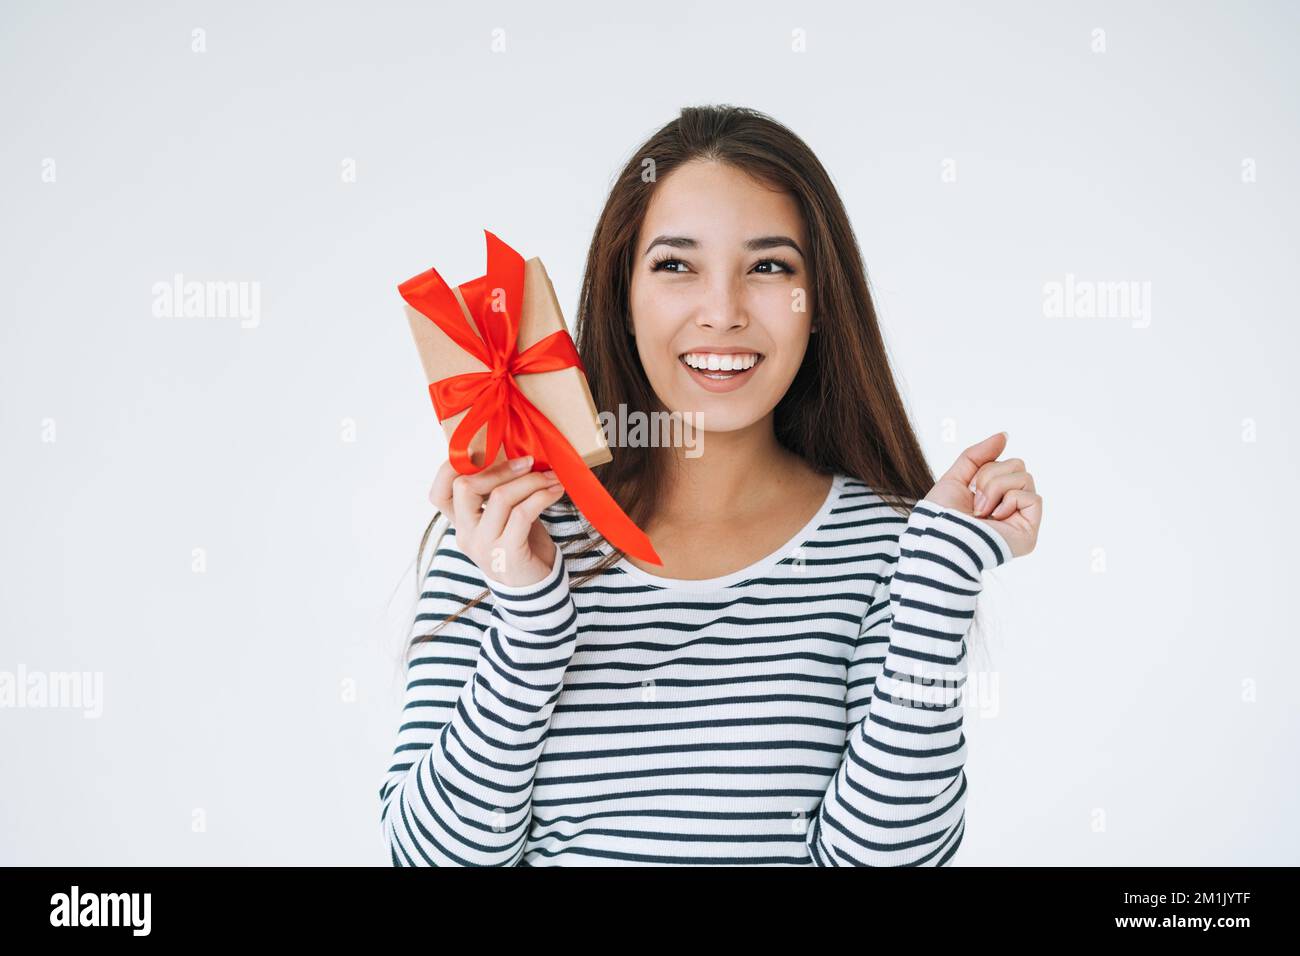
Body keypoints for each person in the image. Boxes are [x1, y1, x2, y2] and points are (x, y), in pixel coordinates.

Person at [380, 105, 1042, 866]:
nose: (722, 313)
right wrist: (530, 626)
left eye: (768, 267)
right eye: (675, 265)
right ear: (622, 294)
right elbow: (428, 859)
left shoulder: (893, 547)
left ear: (819, 302)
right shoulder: (507, 531)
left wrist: (938, 578)